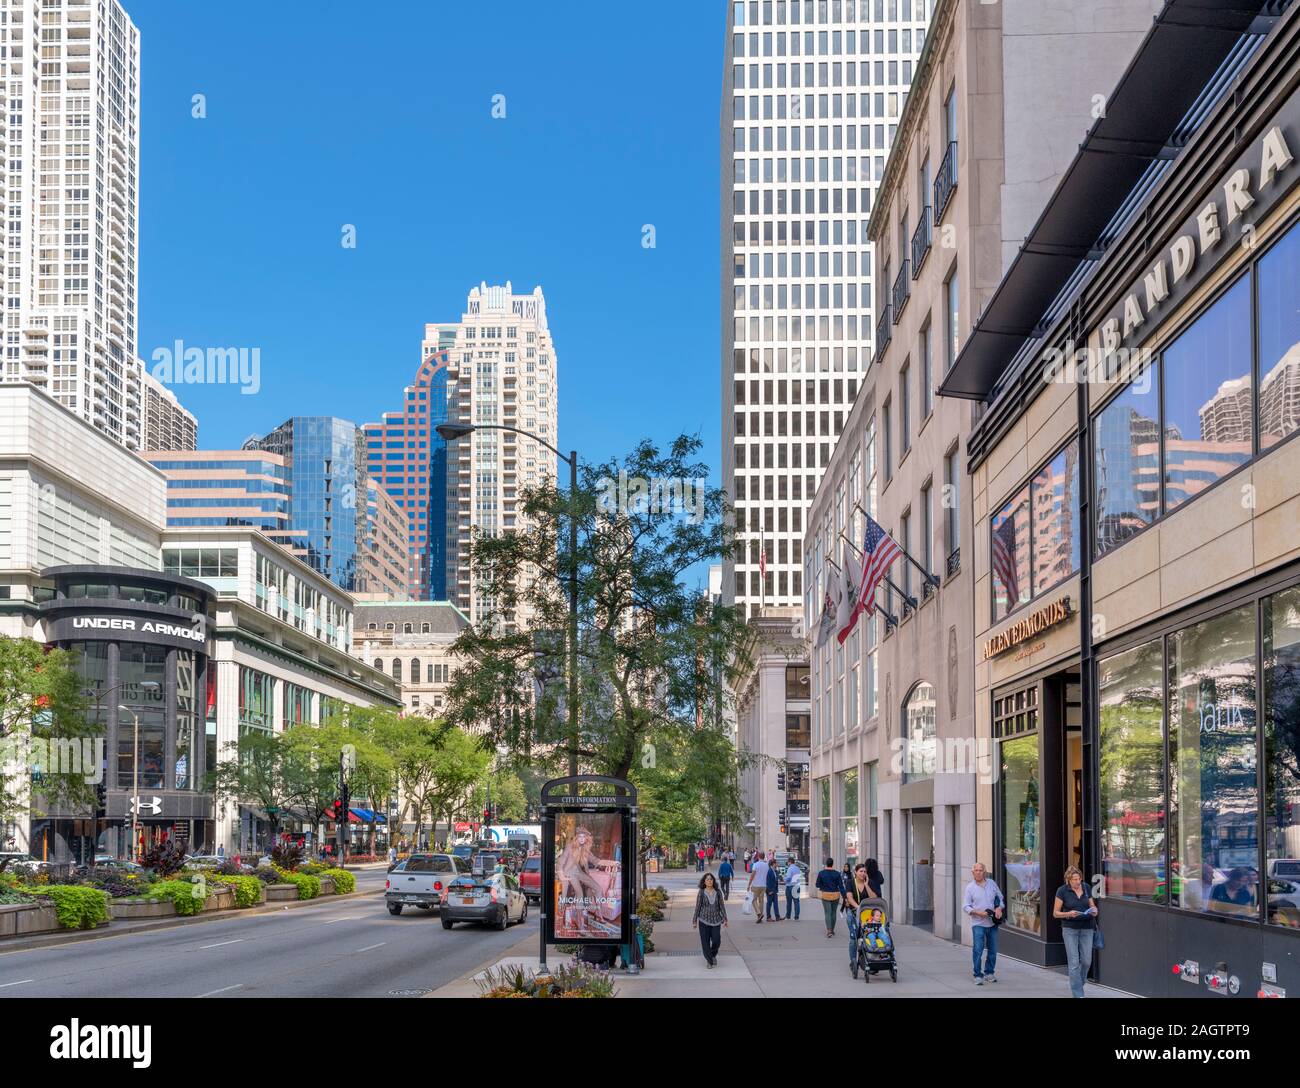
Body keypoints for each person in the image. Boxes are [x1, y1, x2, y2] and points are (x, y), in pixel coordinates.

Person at [1053, 865, 1098, 998]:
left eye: (1079, 879)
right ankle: (1078, 994)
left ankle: (1078, 983)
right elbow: (1055, 913)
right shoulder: (1062, 891)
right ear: (1068, 880)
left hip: (1087, 927)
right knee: (1073, 962)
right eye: (1074, 879)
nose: (1078, 882)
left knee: (1086, 961)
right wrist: (1068, 913)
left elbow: (1092, 905)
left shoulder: (1086, 887)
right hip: (1069, 929)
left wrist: (1094, 910)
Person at [962, 861, 1004, 986]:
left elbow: (1000, 898)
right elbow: (965, 906)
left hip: (992, 923)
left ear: (984, 872)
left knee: (993, 950)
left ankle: (989, 973)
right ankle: (977, 975)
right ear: (973, 872)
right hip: (978, 923)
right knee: (978, 950)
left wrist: (999, 908)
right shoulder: (970, 887)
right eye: (976, 870)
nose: (979, 872)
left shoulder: (992, 884)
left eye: (981, 870)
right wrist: (977, 912)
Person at [844, 862, 876, 970]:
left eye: (865, 872)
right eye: (861, 871)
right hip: (853, 912)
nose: (863, 873)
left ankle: (869, 958)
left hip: (866, 914)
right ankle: (853, 961)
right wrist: (858, 907)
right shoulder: (850, 883)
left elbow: (874, 898)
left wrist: (866, 885)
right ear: (856, 872)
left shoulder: (869, 883)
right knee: (854, 937)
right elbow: (849, 897)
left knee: (867, 935)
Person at [692, 871, 728, 967]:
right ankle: (709, 961)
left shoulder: (718, 892)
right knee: (705, 941)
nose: (709, 881)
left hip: (716, 920)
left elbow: (722, 906)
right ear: (704, 882)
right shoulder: (701, 892)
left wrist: (725, 919)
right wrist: (694, 920)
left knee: (717, 940)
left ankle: (712, 955)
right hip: (703, 920)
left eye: (711, 879)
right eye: (707, 879)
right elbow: (697, 907)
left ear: (713, 881)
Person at [815, 857, 845, 938]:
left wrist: (822, 887)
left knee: (827, 913)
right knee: (833, 912)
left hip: (825, 894)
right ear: (833, 864)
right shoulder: (837, 873)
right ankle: (832, 929)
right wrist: (844, 896)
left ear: (826, 864)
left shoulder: (821, 873)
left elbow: (817, 884)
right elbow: (841, 886)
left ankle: (828, 931)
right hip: (836, 894)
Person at [747, 851, 770, 923]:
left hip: (756, 885)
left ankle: (759, 913)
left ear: (758, 857)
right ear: (764, 857)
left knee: (753, 900)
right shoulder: (766, 865)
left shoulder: (756, 864)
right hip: (763, 885)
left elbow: (752, 875)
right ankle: (760, 916)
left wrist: (749, 884)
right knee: (761, 901)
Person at [765, 855, 781, 920]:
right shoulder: (769, 871)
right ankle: (768, 917)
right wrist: (769, 891)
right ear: (773, 864)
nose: (777, 864)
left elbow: (776, 880)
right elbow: (767, 882)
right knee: (769, 904)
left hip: (775, 890)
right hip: (770, 891)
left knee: (776, 904)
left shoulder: (775, 871)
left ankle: (777, 917)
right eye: (776, 863)